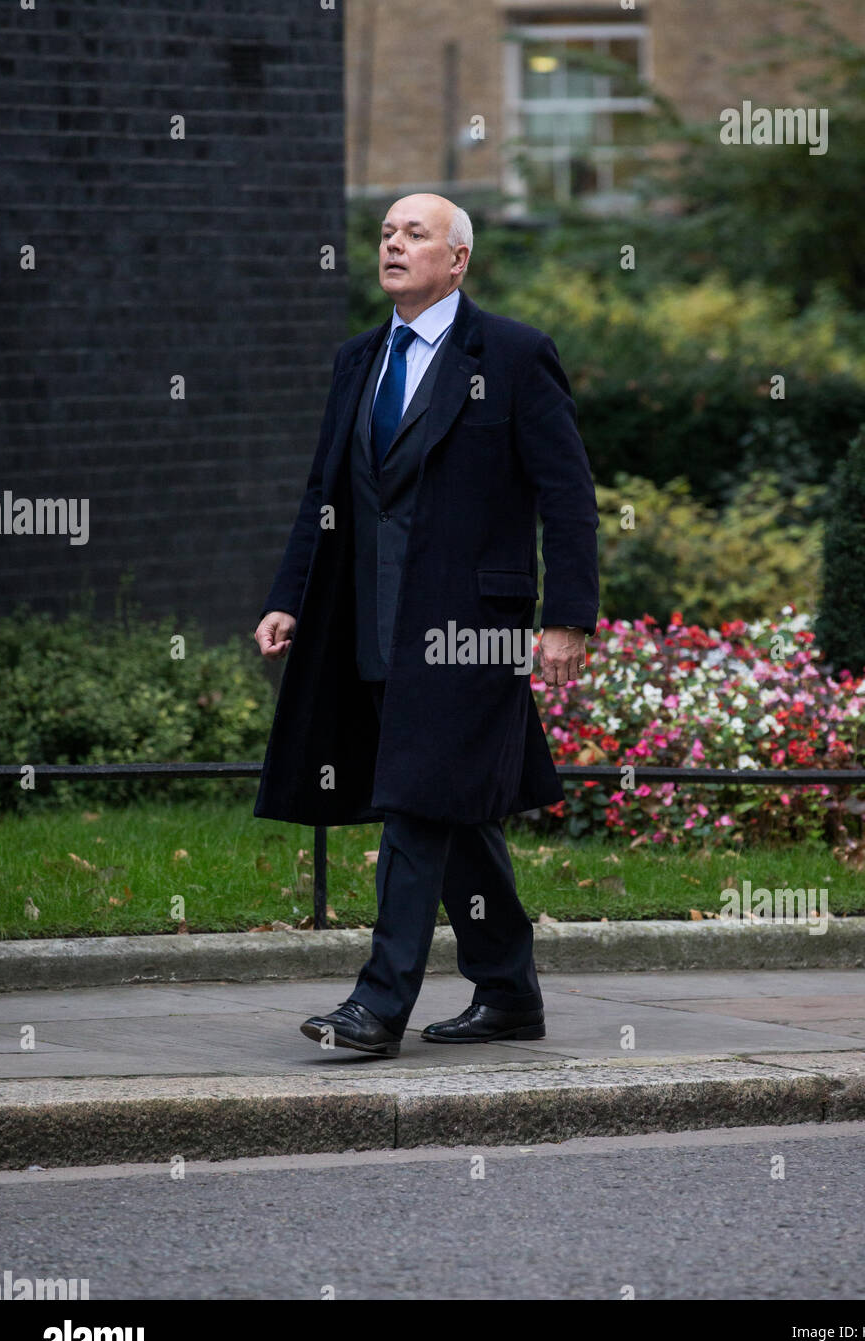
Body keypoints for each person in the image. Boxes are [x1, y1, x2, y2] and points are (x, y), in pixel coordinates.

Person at [254, 193, 599, 1058]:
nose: (394, 245)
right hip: (369, 622)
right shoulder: (357, 359)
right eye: (385, 234)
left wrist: (567, 619)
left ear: (459, 261)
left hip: (471, 629)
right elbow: (322, 494)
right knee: (457, 810)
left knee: (413, 800)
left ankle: (377, 1008)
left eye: (415, 234)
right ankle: (510, 991)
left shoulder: (514, 355)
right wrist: (289, 596)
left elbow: (567, 493)